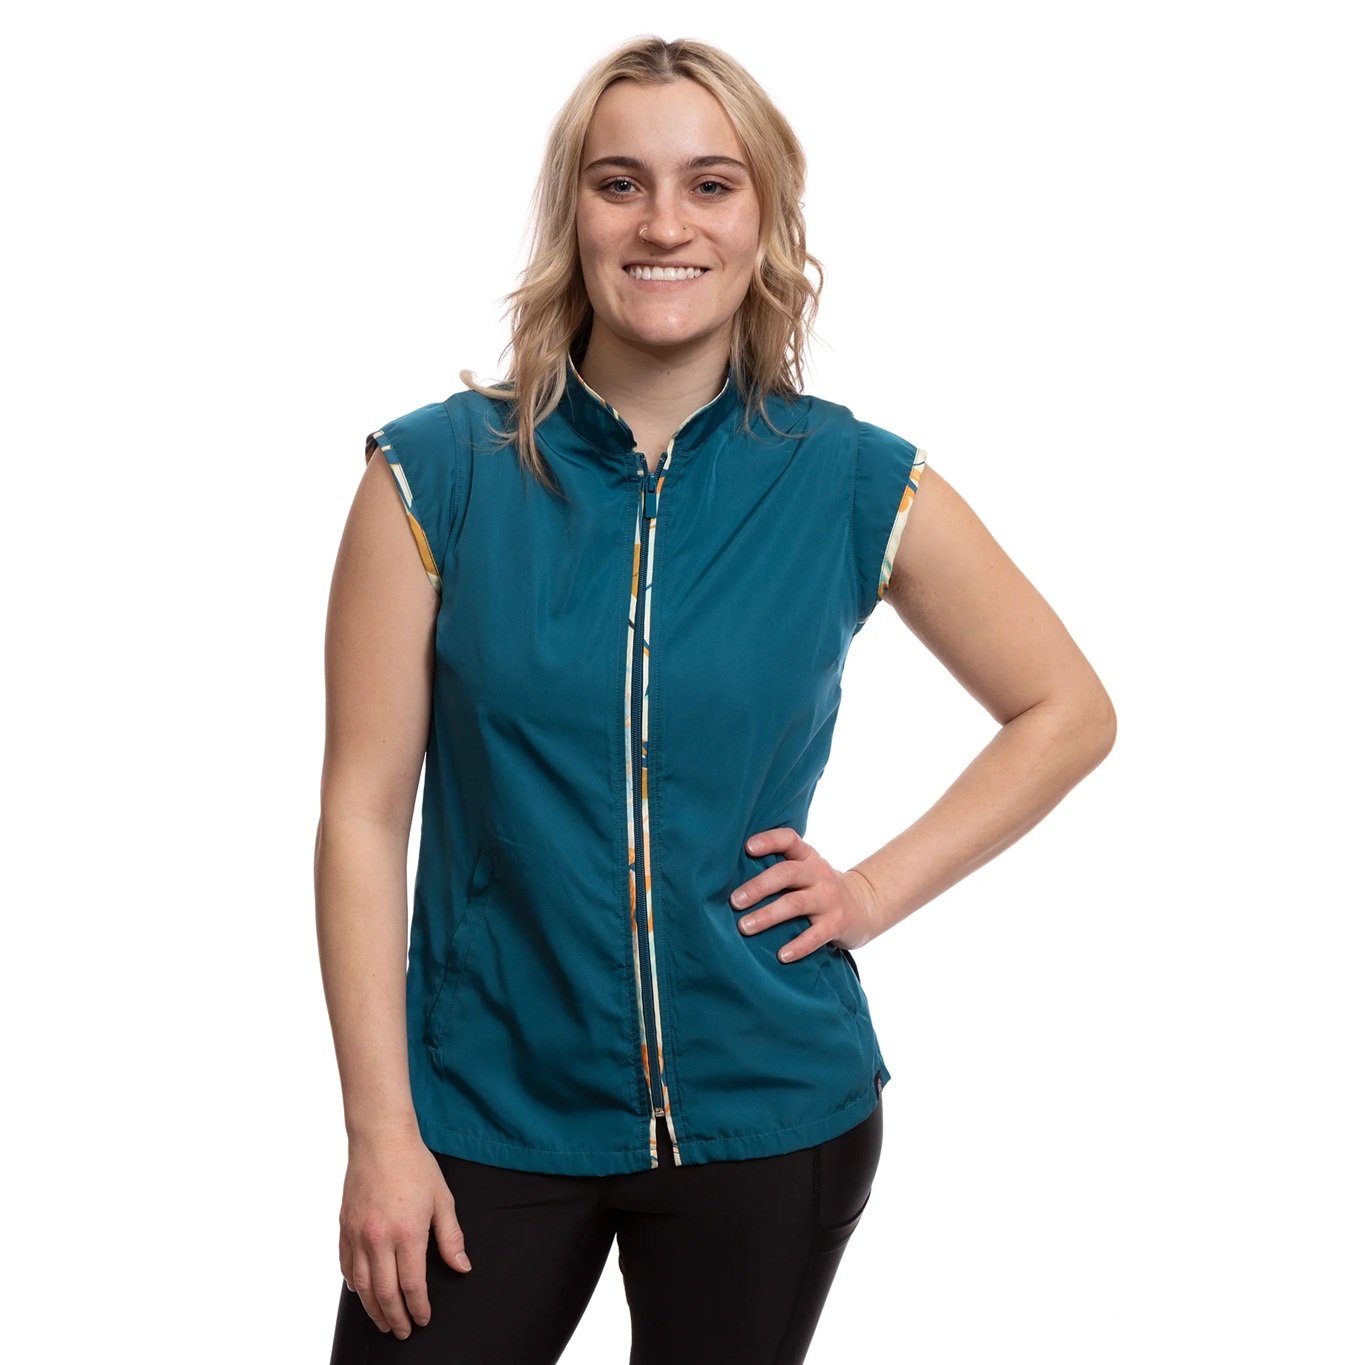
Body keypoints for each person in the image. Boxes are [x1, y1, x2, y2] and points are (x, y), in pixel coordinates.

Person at [316, 34, 1116, 1365]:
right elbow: (360, 814)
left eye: (710, 184)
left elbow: (1065, 708)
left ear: (764, 220)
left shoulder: (848, 477)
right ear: (572, 214)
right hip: (483, 1114)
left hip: (770, 1111)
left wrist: (870, 892)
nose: (664, 224)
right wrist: (378, 1133)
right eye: (619, 183)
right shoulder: (433, 474)